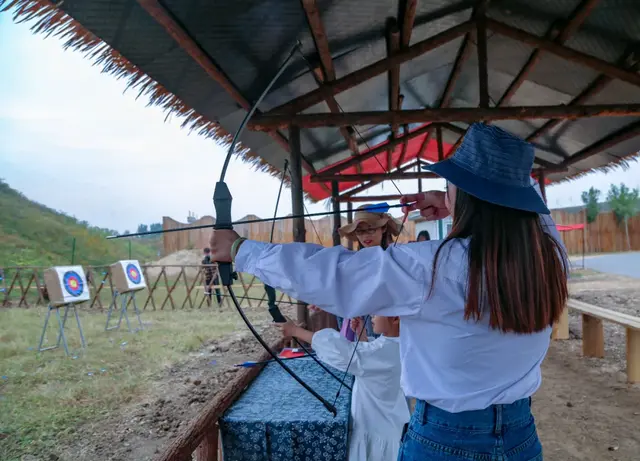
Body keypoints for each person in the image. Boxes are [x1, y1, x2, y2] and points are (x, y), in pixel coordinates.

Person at [210, 123, 568, 460]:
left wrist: (242, 250)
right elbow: (530, 210)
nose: (446, 192)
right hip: (520, 437)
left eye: (451, 186)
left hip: (447, 441)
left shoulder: (435, 265)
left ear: (468, 196)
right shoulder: (550, 256)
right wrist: (457, 201)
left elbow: (337, 276)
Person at [275, 314, 409, 461]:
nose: (372, 315)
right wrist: (361, 336)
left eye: (377, 312)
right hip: (386, 426)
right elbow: (369, 357)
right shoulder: (398, 345)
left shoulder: (385, 351)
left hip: (377, 432)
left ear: (396, 319)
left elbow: (347, 354)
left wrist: (296, 331)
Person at [335, 205, 401, 341]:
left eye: (370, 229)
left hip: (389, 323)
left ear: (383, 228)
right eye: (360, 231)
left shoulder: (396, 257)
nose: (365, 236)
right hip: (359, 321)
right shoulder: (353, 261)